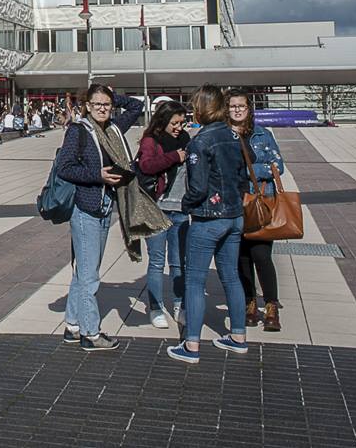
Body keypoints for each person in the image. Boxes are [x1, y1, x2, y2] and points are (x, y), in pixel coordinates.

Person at [54, 83, 144, 352]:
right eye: (97, 104)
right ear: (87, 106)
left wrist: (108, 93)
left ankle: (72, 324)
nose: (103, 108)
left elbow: (137, 106)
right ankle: (90, 333)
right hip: (85, 208)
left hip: (105, 207)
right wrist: (98, 176)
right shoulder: (78, 131)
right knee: (90, 275)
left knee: (83, 270)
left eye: (106, 104)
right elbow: (64, 168)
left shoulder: (113, 129)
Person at [167, 85, 249, 364]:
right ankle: (238, 336)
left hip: (208, 217)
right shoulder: (233, 135)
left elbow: (198, 187)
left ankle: (191, 344)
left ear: (203, 107)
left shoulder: (199, 142)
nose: (192, 110)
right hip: (234, 215)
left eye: (194, 105)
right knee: (231, 276)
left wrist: (187, 205)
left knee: (195, 280)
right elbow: (241, 177)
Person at [228, 90, 285, 333]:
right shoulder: (224, 135)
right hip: (235, 203)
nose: (237, 110)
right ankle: (250, 302)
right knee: (241, 257)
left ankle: (271, 304)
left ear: (249, 109)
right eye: (232, 106)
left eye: (241, 106)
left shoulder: (263, 135)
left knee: (261, 255)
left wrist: (247, 169)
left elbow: (277, 166)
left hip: (261, 202)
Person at [136, 100, 191, 330]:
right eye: (174, 122)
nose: (179, 127)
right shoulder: (151, 141)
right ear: (163, 120)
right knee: (157, 261)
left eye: (181, 122)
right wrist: (174, 157)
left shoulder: (186, 140)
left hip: (181, 209)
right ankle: (156, 307)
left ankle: (179, 304)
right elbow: (146, 166)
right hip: (156, 208)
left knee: (179, 262)